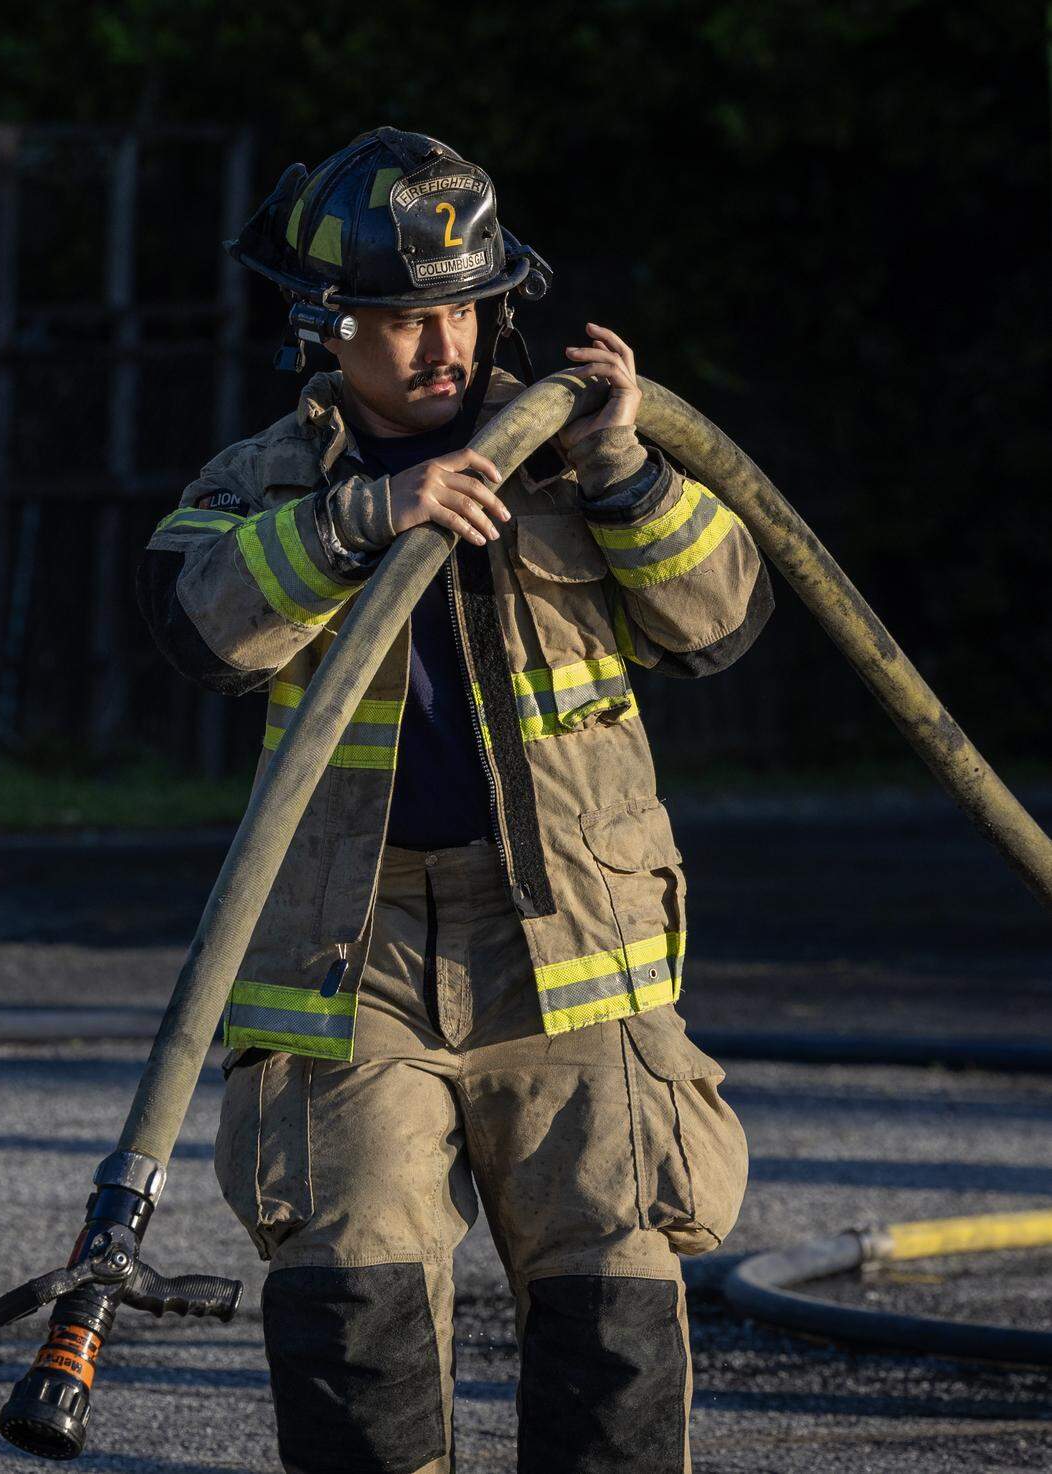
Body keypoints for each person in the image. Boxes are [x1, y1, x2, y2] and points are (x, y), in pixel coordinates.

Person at [137, 126, 773, 1474]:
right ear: (327, 328)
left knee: (614, 1307)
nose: (448, 345)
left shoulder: (568, 454)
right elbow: (194, 631)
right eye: (407, 319)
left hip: (570, 948)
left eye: (470, 308)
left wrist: (625, 470)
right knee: (352, 1302)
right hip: (348, 956)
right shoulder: (264, 483)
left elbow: (723, 617)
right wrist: (361, 516)